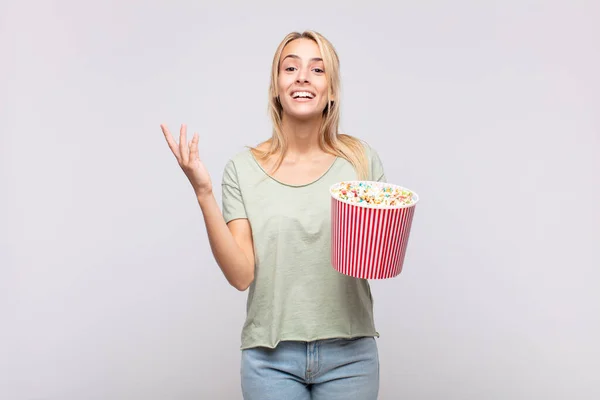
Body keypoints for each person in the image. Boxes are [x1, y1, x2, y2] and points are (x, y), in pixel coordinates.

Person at [161, 30, 386, 400]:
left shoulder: (361, 161)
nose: (302, 77)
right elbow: (240, 275)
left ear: (332, 91)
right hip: (270, 360)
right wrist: (203, 194)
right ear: (276, 88)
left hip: (351, 357)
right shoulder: (243, 169)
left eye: (317, 70)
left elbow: (375, 259)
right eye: (290, 67)